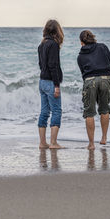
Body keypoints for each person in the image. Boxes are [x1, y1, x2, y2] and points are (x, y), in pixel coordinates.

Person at [77, 30, 110, 150]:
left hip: (90, 80)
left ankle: (91, 144)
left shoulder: (80, 56)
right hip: (105, 78)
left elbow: (83, 73)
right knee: (104, 109)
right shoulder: (102, 47)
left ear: (81, 42)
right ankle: (104, 138)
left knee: (89, 112)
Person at [37, 19, 64, 149]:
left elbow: (41, 65)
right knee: (57, 111)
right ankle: (53, 143)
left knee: (44, 112)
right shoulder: (53, 45)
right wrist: (57, 85)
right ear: (57, 31)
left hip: (42, 81)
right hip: (50, 82)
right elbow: (53, 66)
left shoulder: (41, 45)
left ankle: (42, 143)